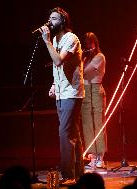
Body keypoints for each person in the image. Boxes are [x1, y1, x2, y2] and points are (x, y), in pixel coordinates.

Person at [40, 7, 84, 184]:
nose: (50, 22)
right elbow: (60, 68)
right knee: (73, 133)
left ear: (63, 21)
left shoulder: (70, 38)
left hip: (72, 93)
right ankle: (79, 172)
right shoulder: (57, 39)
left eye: (55, 19)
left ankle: (68, 175)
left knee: (65, 133)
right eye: (49, 18)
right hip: (61, 92)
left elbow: (58, 60)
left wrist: (47, 41)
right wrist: (53, 84)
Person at [81, 32, 107, 169]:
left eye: (90, 43)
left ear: (95, 44)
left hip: (96, 90)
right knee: (87, 124)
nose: (88, 46)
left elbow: (83, 72)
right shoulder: (85, 59)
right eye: (85, 44)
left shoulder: (99, 57)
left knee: (98, 123)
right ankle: (91, 156)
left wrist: (80, 60)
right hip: (85, 90)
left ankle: (100, 157)